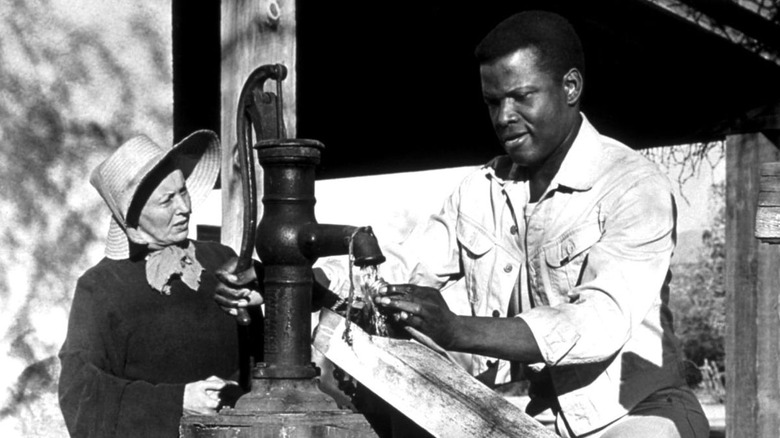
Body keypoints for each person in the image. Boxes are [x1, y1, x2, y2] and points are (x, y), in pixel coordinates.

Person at [368, 10, 710, 438]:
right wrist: (305, 279)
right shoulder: (480, 190)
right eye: (493, 102)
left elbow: (598, 321)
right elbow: (401, 267)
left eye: (521, 96)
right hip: (540, 418)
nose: (503, 116)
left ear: (570, 87)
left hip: (639, 415)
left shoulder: (634, 186)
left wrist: (457, 329)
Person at [58, 131, 263, 437]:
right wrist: (178, 401)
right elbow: (80, 393)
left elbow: (263, 349)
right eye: (167, 200)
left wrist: (265, 285)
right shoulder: (102, 287)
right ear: (133, 221)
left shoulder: (220, 259)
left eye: (183, 191)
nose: (185, 207)